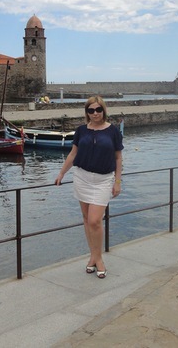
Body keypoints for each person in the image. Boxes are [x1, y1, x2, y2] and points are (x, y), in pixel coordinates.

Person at [54, 96, 123, 279]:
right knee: (86, 219)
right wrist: (61, 174)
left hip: (103, 180)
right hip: (82, 177)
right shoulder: (81, 131)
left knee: (94, 220)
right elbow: (73, 154)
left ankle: (98, 259)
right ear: (87, 112)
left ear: (103, 110)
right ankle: (93, 256)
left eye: (98, 110)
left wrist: (117, 182)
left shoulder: (113, 131)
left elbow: (118, 158)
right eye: (91, 110)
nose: (95, 113)